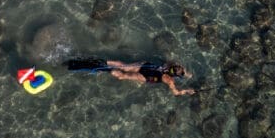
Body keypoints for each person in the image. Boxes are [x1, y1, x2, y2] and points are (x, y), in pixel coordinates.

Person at [65, 57, 196, 96]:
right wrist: (187, 91)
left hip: (146, 65)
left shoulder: (171, 64)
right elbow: (176, 93)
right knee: (123, 75)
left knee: (123, 65)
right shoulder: (169, 79)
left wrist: (186, 73)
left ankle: (104, 62)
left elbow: (173, 61)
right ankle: (103, 69)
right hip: (148, 76)